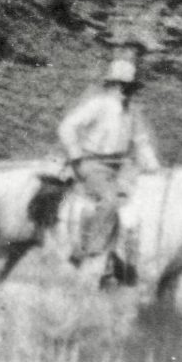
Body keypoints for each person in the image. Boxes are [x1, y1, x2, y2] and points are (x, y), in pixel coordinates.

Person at [50, 49, 163, 272]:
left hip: (117, 170)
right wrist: (76, 155)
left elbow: (141, 142)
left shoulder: (132, 112)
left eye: (129, 88)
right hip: (90, 165)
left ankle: (122, 260)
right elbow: (67, 127)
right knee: (110, 200)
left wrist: (156, 169)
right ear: (112, 85)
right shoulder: (98, 105)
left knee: (140, 201)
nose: (124, 92)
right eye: (121, 86)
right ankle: (87, 252)